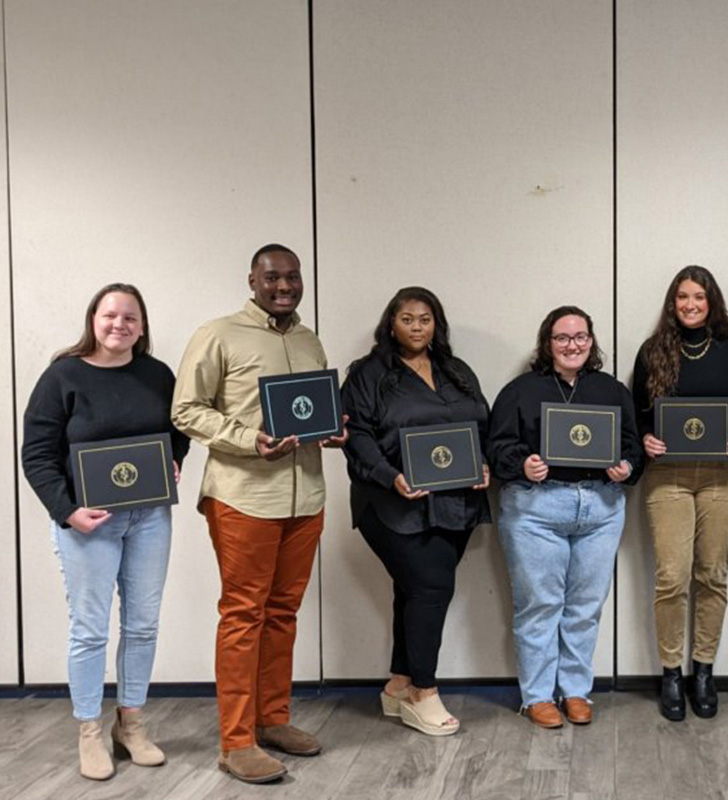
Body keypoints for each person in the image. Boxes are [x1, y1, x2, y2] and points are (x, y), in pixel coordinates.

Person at [172, 244, 347, 783]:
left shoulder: (307, 338)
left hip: (306, 499)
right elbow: (185, 409)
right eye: (272, 277)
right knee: (244, 616)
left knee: (283, 614)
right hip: (243, 498)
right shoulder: (218, 334)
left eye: (293, 277)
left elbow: (311, 410)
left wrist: (331, 429)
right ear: (251, 279)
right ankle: (236, 740)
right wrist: (250, 439)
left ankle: (273, 720)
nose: (284, 286)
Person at [21, 283, 189, 780]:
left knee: (142, 626)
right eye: (110, 315)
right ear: (93, 319)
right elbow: (37, 455)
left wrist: (174, 462)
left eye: (130, 317)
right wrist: (67, 511)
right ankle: (90, 731)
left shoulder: (157, 374)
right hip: (87, 524)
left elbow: (177, 431)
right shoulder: (62, 376)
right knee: (90, 631)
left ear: (142, 325)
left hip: (150, 517)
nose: (120, 324)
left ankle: (131, 724)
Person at [340, 287, 490, 736]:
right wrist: (390, 476)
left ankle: (398, 684)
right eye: (408, 319)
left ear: (436, 324)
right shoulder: (367, 375)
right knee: (430, 586)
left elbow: (478, 421)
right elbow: (357, 436)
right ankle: (424, 692)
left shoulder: (456, 370)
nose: (417, 327)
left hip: (455, 502)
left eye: (425, 319)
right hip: (391, 502)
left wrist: (481, 462)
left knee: (415, 590)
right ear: (392, 323)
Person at [487, 306, 642, 729]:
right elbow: (497, 446)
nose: (572, 345)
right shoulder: (520, 390)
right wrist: (524, 465)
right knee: (539, 605)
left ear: (591, 342)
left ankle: (575, 690)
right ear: (547, 343)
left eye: (580, 337)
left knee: (585, 607)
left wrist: (627, 468)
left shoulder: (611, 390)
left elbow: (634, 445)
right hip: (537, 508)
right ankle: (537, 696)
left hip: (601, 508)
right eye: (562, 337)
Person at [631, 266, 728, 721]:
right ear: (672, 302)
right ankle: (671, 672)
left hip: (722, 475)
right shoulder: (652, 351)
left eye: (699, 296)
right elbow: (638, 413)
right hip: (669, 476)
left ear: (712, 301)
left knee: (712, 575)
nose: (691, 304)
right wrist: (646, 438)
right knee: (672, 577)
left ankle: (704, 670)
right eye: (683, 297)